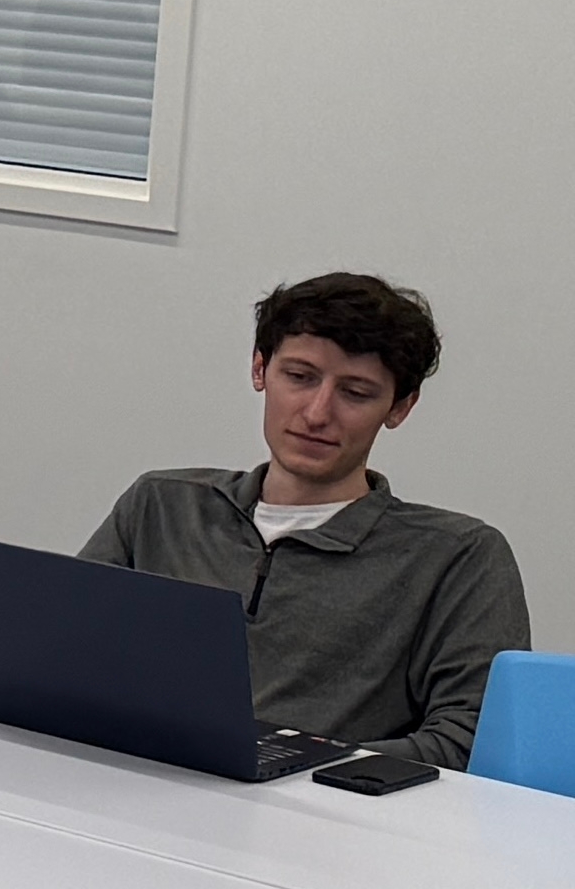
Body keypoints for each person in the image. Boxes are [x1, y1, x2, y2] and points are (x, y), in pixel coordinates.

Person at [76, 271, 528, 766]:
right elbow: (60, 659)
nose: (317, 413)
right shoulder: (162, 504)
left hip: (326, 823)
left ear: (399, 407)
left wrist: (281, 765)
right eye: (299, 377)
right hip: (135, 789)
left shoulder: (457, 556)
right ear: (259, 370)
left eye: (355, 393)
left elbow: (470, 742)